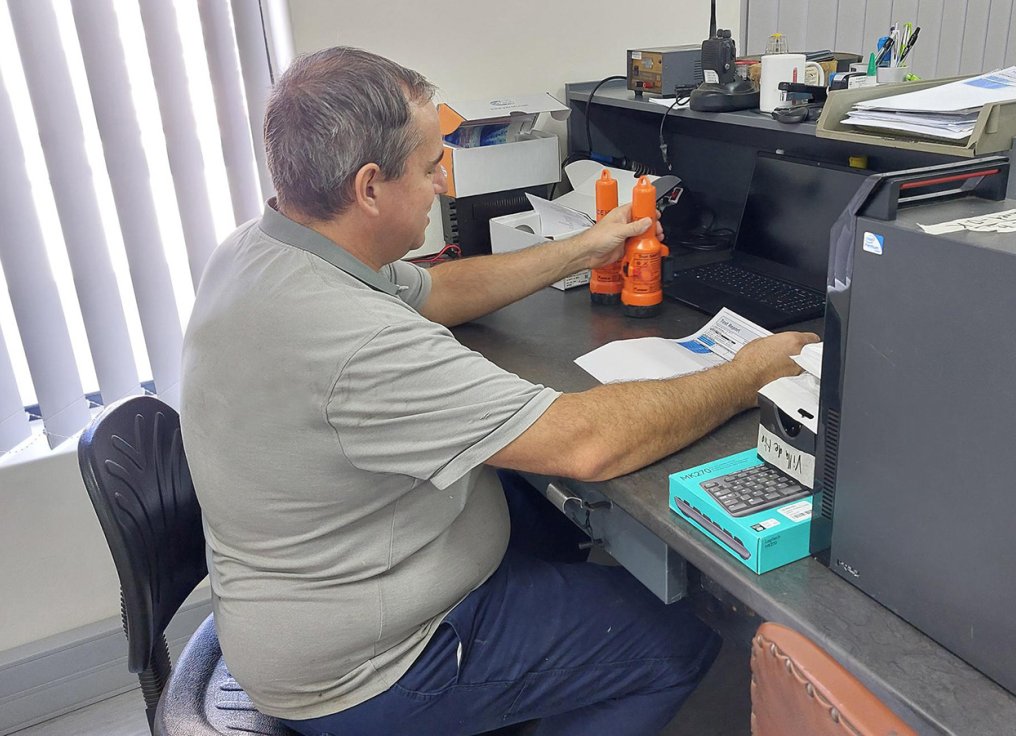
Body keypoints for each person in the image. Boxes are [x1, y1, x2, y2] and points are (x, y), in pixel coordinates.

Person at [180, 47, 817, 736]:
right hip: (371, 670)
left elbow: (437, 291)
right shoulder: (351, 338)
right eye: (430, 167)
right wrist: (748, 373)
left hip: (309, 601)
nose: (443, 184)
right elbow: (587, 444)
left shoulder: (264, 248)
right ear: (369, 188)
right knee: (674, 643)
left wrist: (584, 248)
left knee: (541, 506)